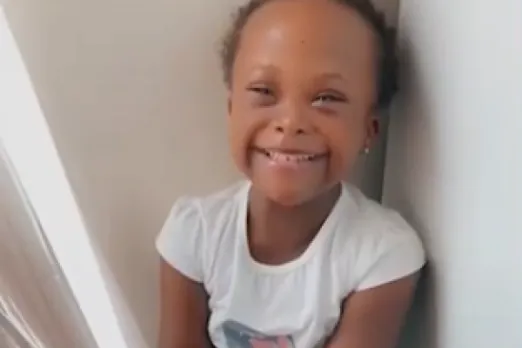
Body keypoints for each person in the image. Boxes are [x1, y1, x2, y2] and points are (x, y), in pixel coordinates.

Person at [156, 0, 425, 347]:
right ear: (231, 110)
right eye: (264, 91)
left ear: (369, 129)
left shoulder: (382, 252)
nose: (291, 123)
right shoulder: (192, 233)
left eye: (327, 97)